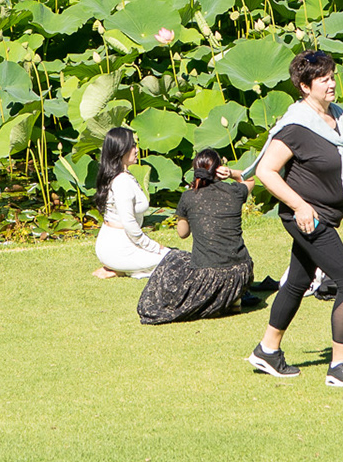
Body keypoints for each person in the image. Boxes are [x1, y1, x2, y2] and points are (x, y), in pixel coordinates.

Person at [245, 50, 343, 388]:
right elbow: (266, 171)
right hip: (307, 219)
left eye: (332, 76)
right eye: (324, 80)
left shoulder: (338, 117)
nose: (332, 84)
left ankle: (267, 350)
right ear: (305, 86)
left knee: (297, 280)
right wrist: (301, 206)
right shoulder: (295, 126)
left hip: (326, 216)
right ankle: (339, 367)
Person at [137, 149, 256, 324]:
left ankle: (220, 300)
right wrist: (231, 173)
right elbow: (250, 179)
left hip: (209, 276)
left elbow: (182, 233)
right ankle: (233, 297)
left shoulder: (188, 197)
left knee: (175, 257)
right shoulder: (234, 191)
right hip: (241, 273)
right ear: (218, 169)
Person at [93, 126, 176, 278]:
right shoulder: (122, 181)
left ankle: (122, 269)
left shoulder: (123, 175)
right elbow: (129, 224)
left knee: (174, 256)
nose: (136, 150)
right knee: (175, 261)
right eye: (132, 146)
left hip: (119, 244)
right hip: (118, 248)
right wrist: (155, 247)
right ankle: (120, 268)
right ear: (120, 150)